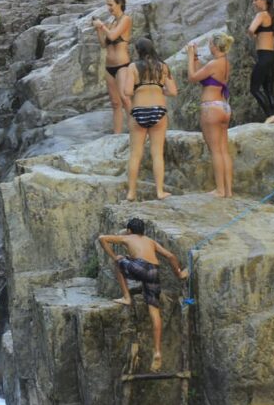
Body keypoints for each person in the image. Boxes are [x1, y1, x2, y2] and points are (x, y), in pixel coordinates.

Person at [99, 218, 189, 372]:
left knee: (119, 263)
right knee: (154, 311)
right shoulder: (150, 241)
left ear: (129, 230)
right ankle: (157, 351)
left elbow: (102, 238)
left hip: (139, 267)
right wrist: (179, 274)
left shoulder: (127, 237)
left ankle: (127, 297)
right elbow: (171, 256)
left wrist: (115, 257)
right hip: (153, 271)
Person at [122, 37, 177, 201]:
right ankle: (160, 191)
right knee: (157, 154)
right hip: (158, 111)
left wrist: (141, 88)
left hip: (139, 111)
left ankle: (131, 193)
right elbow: (173, 91)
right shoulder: (163, 66)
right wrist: (159, 90)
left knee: (135, 154)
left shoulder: (133, 67)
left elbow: (127, 92)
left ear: (138, 50)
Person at [186, 33, 235, 198]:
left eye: (209, 44)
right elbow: (204, 74)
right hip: (224, 107)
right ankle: (228, 190)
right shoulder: (226, 63)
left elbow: (192, 77)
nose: (209, 47)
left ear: (215, 46)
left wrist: (189, 57)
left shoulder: (214, 64)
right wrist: (195, 57)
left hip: (211, 108)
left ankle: (220, 190)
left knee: (215, 151)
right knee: (223, 150)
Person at [92, 0, 133, 134]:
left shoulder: (125, 19)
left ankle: (136, 131)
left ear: (120, 3)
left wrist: (102, 26)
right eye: (107, 5)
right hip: (109, 67)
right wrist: (98, 29)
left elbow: (113, 36)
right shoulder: (111, 22)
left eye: (110, 4)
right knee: (115, 104)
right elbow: (104, 43)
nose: (108, 7)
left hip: (122, 65)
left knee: (125, 99)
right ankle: (117, 135)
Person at [247, 0, 274, 123]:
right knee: (268, 89)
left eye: (255, 0)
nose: (253, 3)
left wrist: (253, 35)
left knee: (254, 88)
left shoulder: (261, 15)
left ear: (264, 0)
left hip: (264, 57)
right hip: (272, 56)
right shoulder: (271, 16)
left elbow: (250, 29)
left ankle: (269, 115)